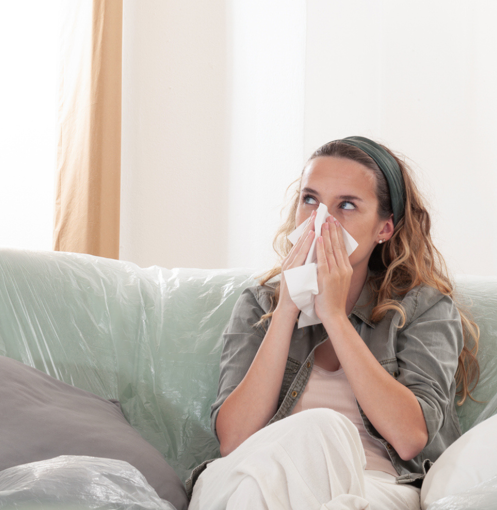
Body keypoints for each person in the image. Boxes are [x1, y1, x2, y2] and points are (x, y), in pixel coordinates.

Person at [187, 137, 479, 510]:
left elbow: (409, 438)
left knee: (324, 432)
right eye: (310, 199)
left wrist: (335, 317)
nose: (320, 221)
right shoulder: (260, 303)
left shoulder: (423, 308)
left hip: (373, 485)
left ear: (384, 229)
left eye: (346, 205)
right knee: (265, 476)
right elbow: (234, 440)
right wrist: (287, 308)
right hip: (250, 474)